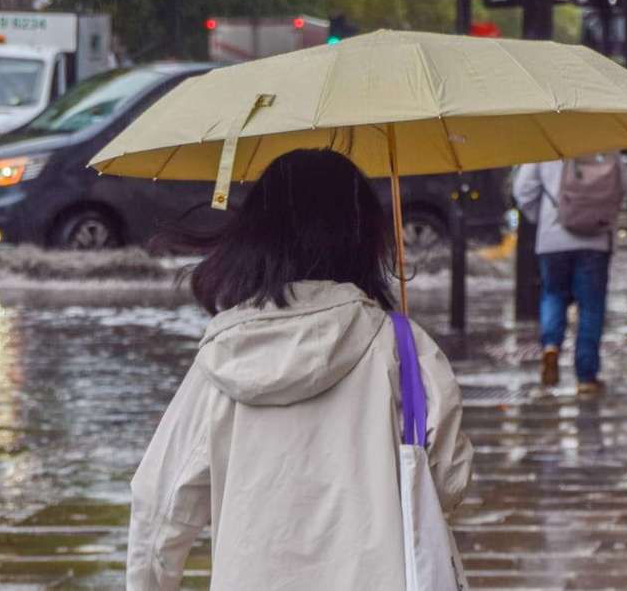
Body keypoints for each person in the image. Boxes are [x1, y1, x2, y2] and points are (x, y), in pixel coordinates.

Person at [126, 149, 473, 590]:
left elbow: (159, 506)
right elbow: (448, 480)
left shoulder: (224, 356)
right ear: (363, 235)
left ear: (256, 236)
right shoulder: (403, 348)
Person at [513, 154, 627, 392]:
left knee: (553, 295)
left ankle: (551, 345)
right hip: (596, 239)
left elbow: (523, 191)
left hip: (552, 238)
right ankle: (586, 377)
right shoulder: (603, 138)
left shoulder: (546, 141)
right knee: (591, 307)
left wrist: (545, 217)